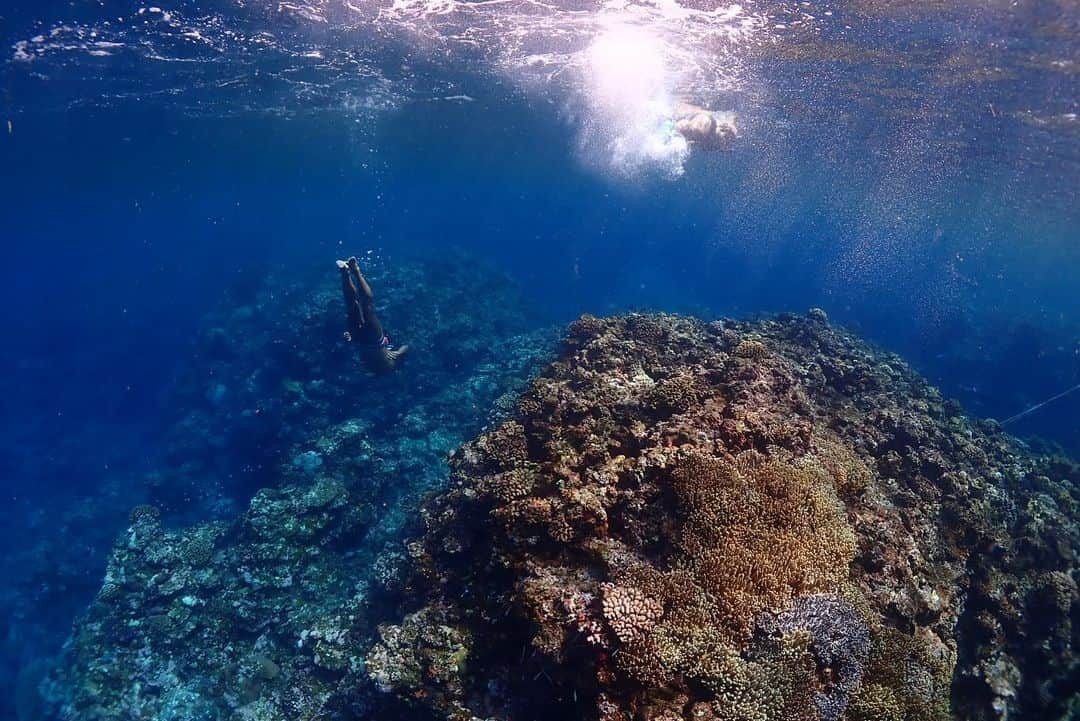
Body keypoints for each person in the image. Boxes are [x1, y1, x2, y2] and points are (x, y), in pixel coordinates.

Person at [337, 256, 409, 373]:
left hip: (367, 341)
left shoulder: (388, 367)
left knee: (363, 306)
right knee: (357, 306)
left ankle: (351, 271)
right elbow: (406, 347)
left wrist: (397, 353)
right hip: (365, 340)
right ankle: (348, 272)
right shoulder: (381, 368)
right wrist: (398, 352)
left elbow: (406, 347)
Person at [671, 101, 737, 152]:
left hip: (705, 129)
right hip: (703, 126)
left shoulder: (714, 144)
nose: (725, 144)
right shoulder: (699, 129)